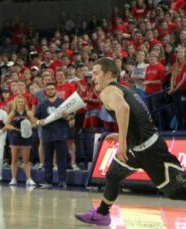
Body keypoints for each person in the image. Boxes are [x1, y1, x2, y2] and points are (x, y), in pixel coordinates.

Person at [75, 58, 186, 226]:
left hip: (149, 150)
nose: (93, 77)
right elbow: (136, 117)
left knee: (176, 191)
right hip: (138, 148)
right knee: (113, 174)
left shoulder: (108, 91)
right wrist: (123, 134)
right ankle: (102, 214)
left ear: (109, 74)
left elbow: (123, 109)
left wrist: (122, 142)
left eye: (96, 73)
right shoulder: (126, 90)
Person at [35, 83, 71, 188]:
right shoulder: (42, 105)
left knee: (62, 159)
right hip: (47, 135)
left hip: (61, 134)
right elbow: (35, 118)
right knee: (48, 160)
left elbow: (71, 118)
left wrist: (67, 117)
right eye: (48, 89)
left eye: (52, 89)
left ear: (55, 90)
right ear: (45, 91)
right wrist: (38, 122)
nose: (50, 91)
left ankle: (62, 181)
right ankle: (48, 181)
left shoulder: (63, 103)